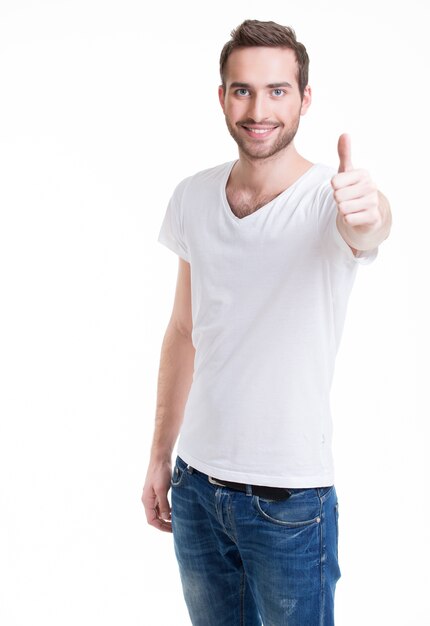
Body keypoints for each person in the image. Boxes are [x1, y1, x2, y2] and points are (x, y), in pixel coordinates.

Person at [141, 19, 392, 626]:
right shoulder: (193, 197)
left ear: (304, 99)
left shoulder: (329, 199)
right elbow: (183, 331)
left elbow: (370, 226)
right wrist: (159, 454)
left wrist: (370, 210)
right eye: (243, 90)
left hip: (289, 501)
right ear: (222, 96)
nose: (259, 109)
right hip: (197, 491)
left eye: (278, 90)